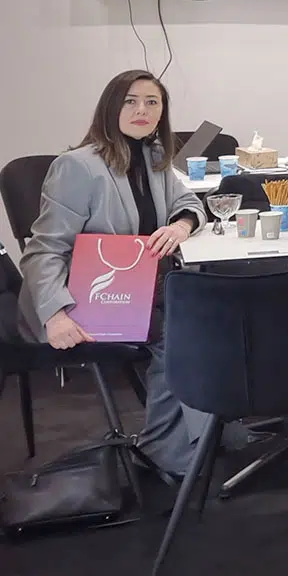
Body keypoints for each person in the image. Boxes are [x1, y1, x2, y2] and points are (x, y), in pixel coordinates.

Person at [18, 69, 210, 478]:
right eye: (131, 101)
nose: (143, 110)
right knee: (182, 332)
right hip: (85, 297)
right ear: (111, 108)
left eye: (152, 102)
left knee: (216, 313)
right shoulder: (77, 166)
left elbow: (191, 203)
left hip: (142, 287)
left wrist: (181, 226)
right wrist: (55, 314)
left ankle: (203, 434)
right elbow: (43, 250)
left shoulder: (154, 157)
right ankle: (172, 447)